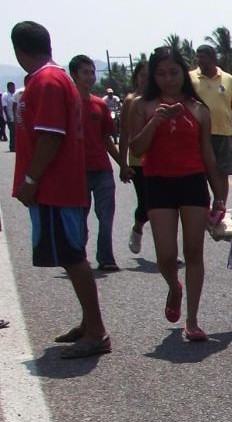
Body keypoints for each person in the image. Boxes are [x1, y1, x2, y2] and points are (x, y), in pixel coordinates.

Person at [10, 21, 109, 358]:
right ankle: (88, 323)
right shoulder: (49, 79)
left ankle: (96, 331)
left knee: (72, 256)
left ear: (18, 50)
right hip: (59, 186)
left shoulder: (47, 80)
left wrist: (30, 180)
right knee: (71, 255)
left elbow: (51, 136)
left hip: (56, 187)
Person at [129, 46, 228, 342]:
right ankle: (174, 286)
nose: (168, 79)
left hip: (193, 183)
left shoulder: (199, 109)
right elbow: (136, 149)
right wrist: (156, 120)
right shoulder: (142, 106)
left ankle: (193, 320)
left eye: (173, 72)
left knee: (193, 252)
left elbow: (208, 156)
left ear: (183, 74)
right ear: (152, 76)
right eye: (160, 73)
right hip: (158, 183)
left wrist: (220, 194)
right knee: (166, 255)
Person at [69, 54, 129, 272]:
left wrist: (122, 164)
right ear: (74, 75)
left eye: (92, 72)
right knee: (80, 218)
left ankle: (105, 257)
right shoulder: (67, 103)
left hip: (102, 170)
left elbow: (107, 139)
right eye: (85, 72)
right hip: (77, 172)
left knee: (106, 216)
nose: (90, 76)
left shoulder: (99, 105)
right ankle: (78, 257)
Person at [191, 45, 232, 179]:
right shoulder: (190, 78)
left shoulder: (228, 79)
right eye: (197, 57)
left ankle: (221, 200)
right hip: (198, 135)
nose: (199, 60)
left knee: (223, 174)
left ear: (213, 59)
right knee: (198, 174)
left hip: (224, 135)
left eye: (203, 57)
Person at [118, 60, 149, 254]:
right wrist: (122, 164)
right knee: (145, 204)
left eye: (150, 75)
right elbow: (124, 134)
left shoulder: (162, 99)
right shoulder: (131, 100)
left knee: (163, 206)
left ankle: (167, 248)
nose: (146, 79)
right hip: (138, 161)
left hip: (162, 161)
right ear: (136, 77)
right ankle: (137, 228)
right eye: (142, 75)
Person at [2, 81, 15, 149]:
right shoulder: (5, 95)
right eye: (12, 87)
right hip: (9, 117)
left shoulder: (13, 95)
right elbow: (5, 107)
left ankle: (14, 145)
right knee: (12, 132)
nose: (14, 88)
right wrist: (8, 117)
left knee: (14, 132)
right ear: (8, 87)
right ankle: (12, 146)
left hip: (14, 116)